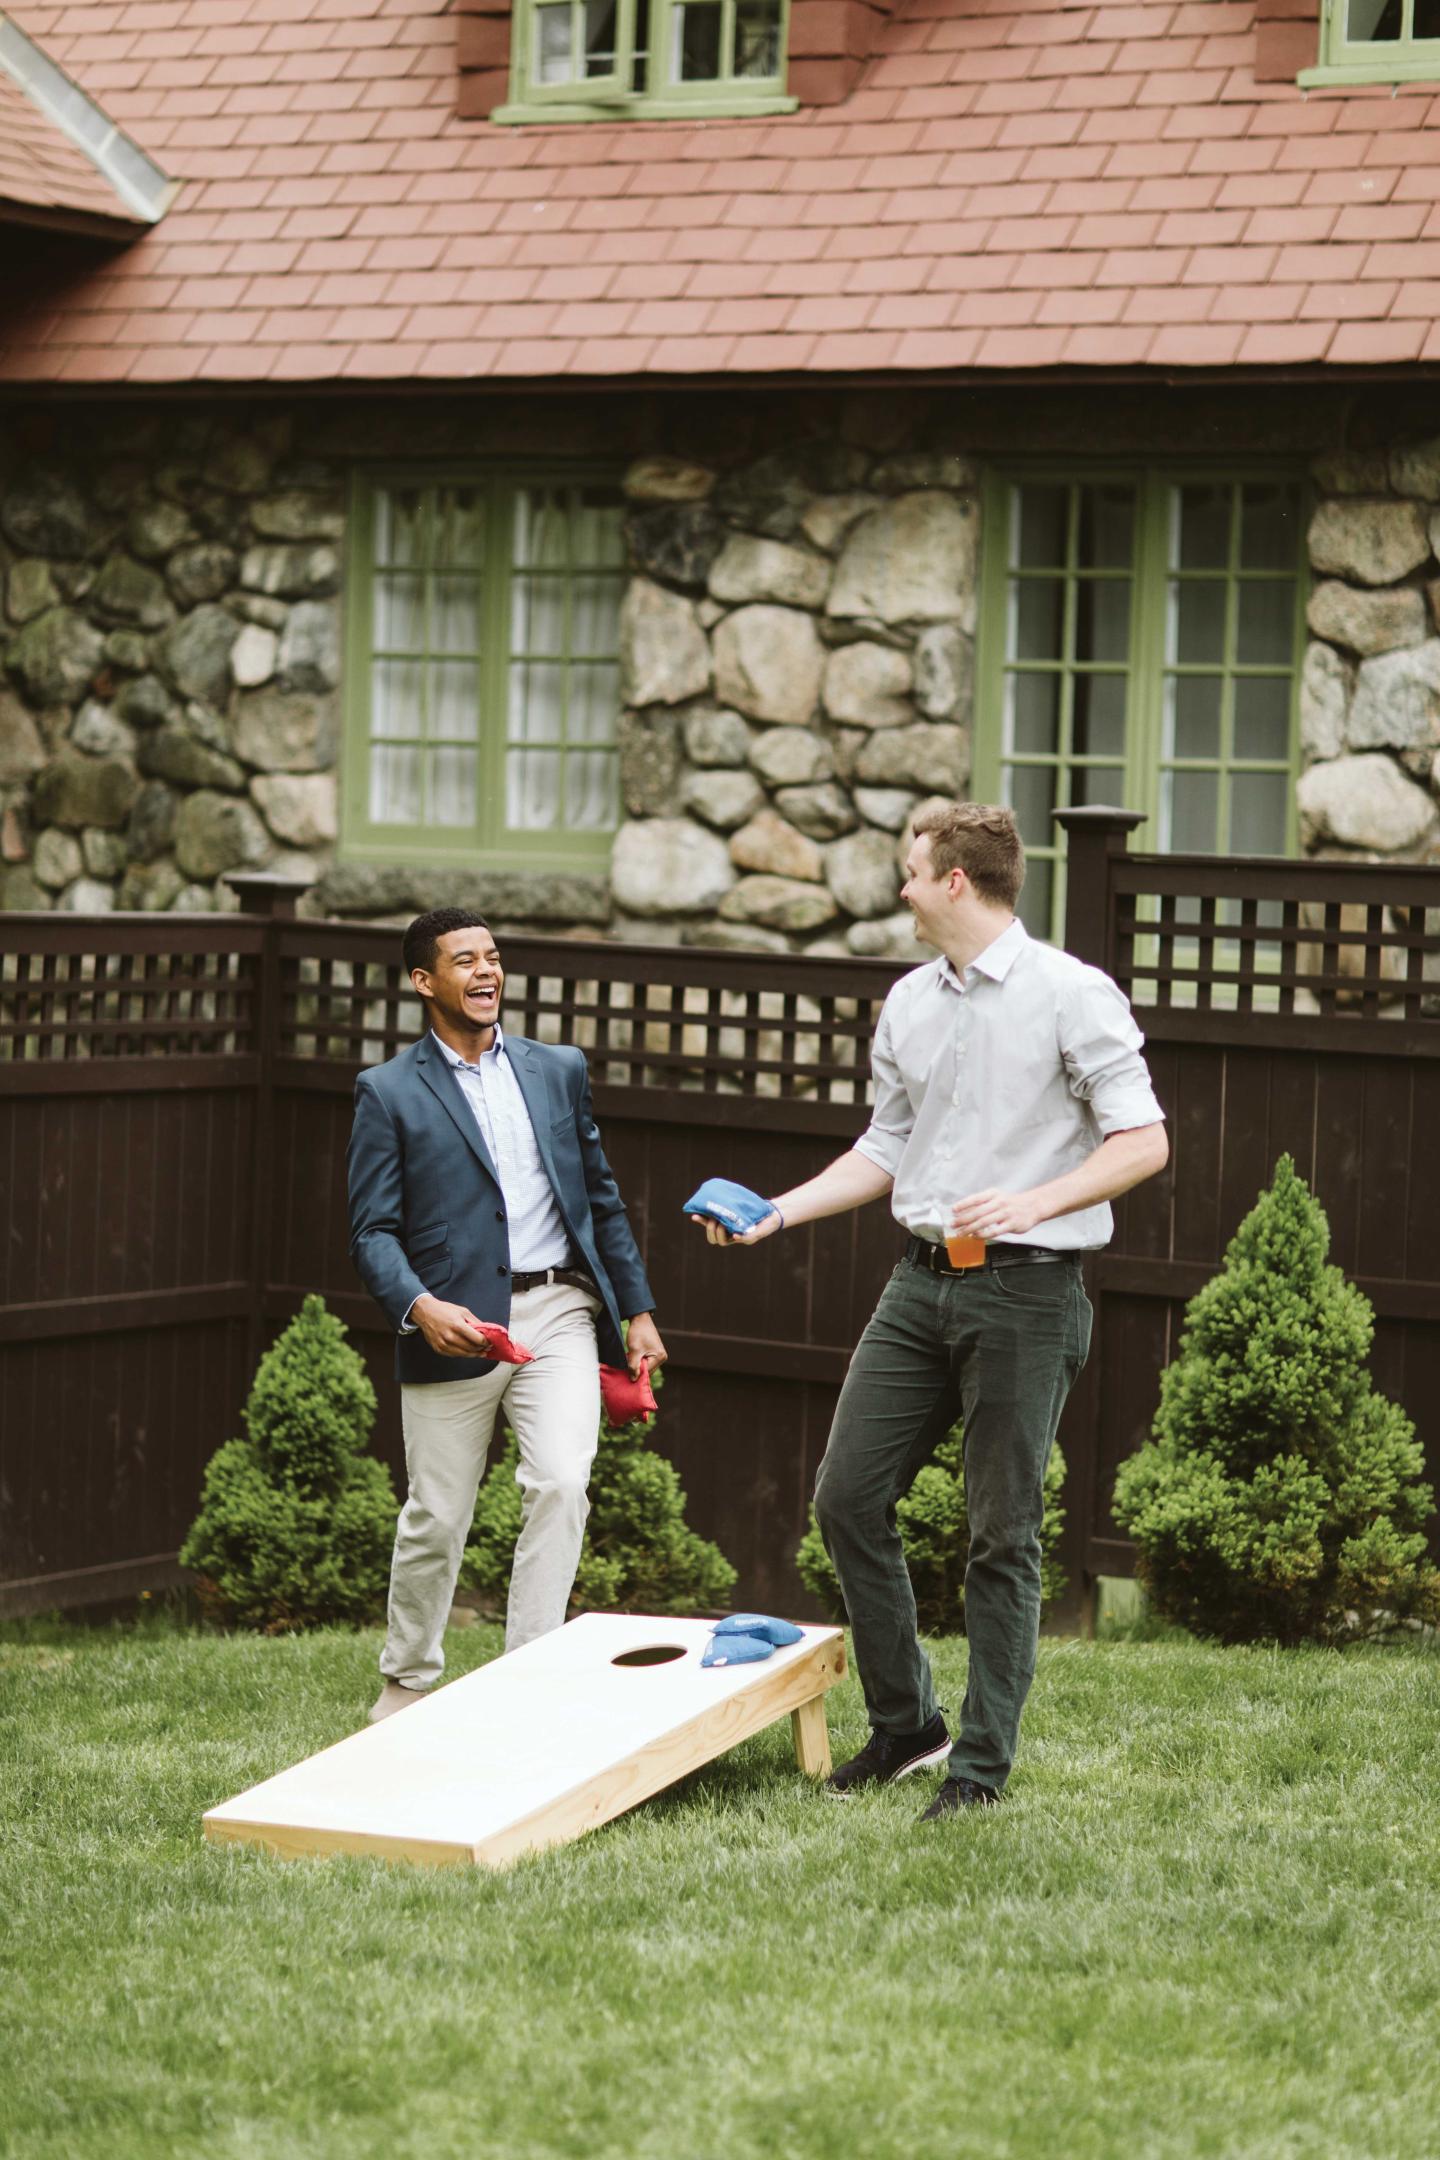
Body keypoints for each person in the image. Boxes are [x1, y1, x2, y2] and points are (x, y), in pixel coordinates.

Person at [690, 804, 1167, 1819]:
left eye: (911, 873)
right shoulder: (909, 1001)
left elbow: (1144, 1141)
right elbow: (885, 1146)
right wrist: (778, 1213)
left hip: (1030, 1290)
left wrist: (1035, 1200)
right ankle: (909, 1727)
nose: (900, 891)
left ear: (956, 881)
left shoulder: (1070, 995)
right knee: (847, 1499)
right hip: (921, 1283)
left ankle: (981, 1769)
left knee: (1002, 1532)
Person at [348, 907, 665, 1723]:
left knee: (562, 1481)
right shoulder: (386, 1093)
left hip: (561, 1309)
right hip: (457, 1326)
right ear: (426, 981)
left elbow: (600, 1196)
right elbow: (371, 1231)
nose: (487, 972)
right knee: (437, 1514)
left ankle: (526, 1680)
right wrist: (419, 1308)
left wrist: (636, 1309)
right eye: (465, 961)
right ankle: (408, 1681)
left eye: (493, 957)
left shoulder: (557, 1068)